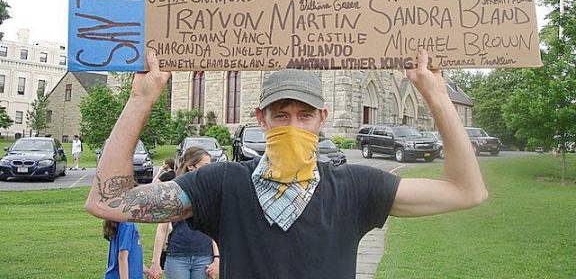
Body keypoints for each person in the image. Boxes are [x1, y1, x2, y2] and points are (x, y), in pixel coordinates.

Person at [86, 50, 488, 279]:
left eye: (304, 115)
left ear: (321, 119)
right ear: (261, 119)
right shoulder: (223, 185)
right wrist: (140, 99)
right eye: (281, 114)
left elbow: (466, 190)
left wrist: (437, 96)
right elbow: (111, 202)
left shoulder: (354, 188)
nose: (293, 124)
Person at [147, 147, 220, 279]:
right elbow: (162, 228)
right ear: (191, 166)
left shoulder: (210, 192)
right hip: (177, 256)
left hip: (204, 257)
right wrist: (156, 262)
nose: (210, 170)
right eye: (206, 165)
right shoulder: (174, 191)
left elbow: (214, 228)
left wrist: (217, 258)